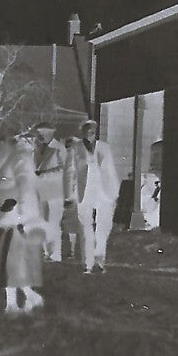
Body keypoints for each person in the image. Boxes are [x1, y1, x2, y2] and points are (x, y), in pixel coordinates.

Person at [0, 128, 45, 315]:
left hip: (17, 220)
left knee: (12, 263)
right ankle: (23, 299)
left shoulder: (19, 159)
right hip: (5, 220)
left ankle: (22, 300)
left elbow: (26, 188)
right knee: (6, 263)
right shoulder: (4, 160)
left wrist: (24, 217)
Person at [65, 117, 121, 273]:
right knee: (85, 227)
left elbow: (111, 170)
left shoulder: (104, 147)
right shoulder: (75, 147)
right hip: (84, 190)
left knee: (103, 225)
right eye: (88, 130)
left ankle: (100, 258)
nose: (91, 133)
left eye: (93, 130)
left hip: (103, 189)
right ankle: (88, 263)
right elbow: (69, 171)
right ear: (83, 132)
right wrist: (68, 194)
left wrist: (114, 192)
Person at [31, 121, 68, 263]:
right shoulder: (37, 149)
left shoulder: (59, 148)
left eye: (41, 133)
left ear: (50, 132)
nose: (39, 136)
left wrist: (44, 174)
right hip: (41, 190)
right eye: (38, 133)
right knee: (43, 222)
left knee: (54, 222)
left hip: (55, 190)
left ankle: (55, 254)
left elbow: (64, 169)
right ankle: (47, 252)